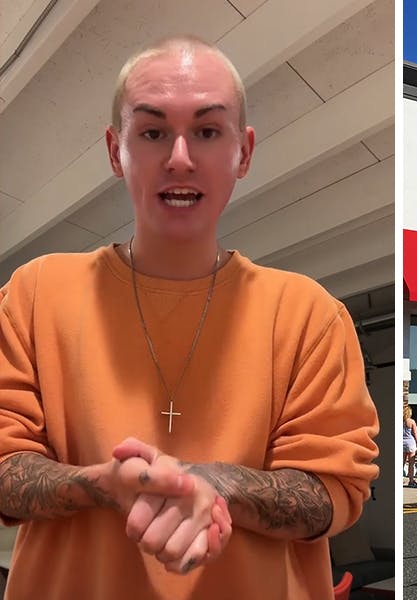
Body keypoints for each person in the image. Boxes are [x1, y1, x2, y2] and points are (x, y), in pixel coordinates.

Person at [0, 35, 380, 599]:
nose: (180, 158)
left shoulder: (310, 315)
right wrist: (104, 483)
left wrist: (212, 483)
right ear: (115, 150)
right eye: (152, 132)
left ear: (243, 152)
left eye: (207, 131)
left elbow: (334, 492)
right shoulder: (35, 294)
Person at [403, 405, 417, 488]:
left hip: (402, 442)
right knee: (411, 463)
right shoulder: (412, 422)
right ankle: (411, 481)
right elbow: (415, 434)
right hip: (410, 443)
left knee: (401, 463)